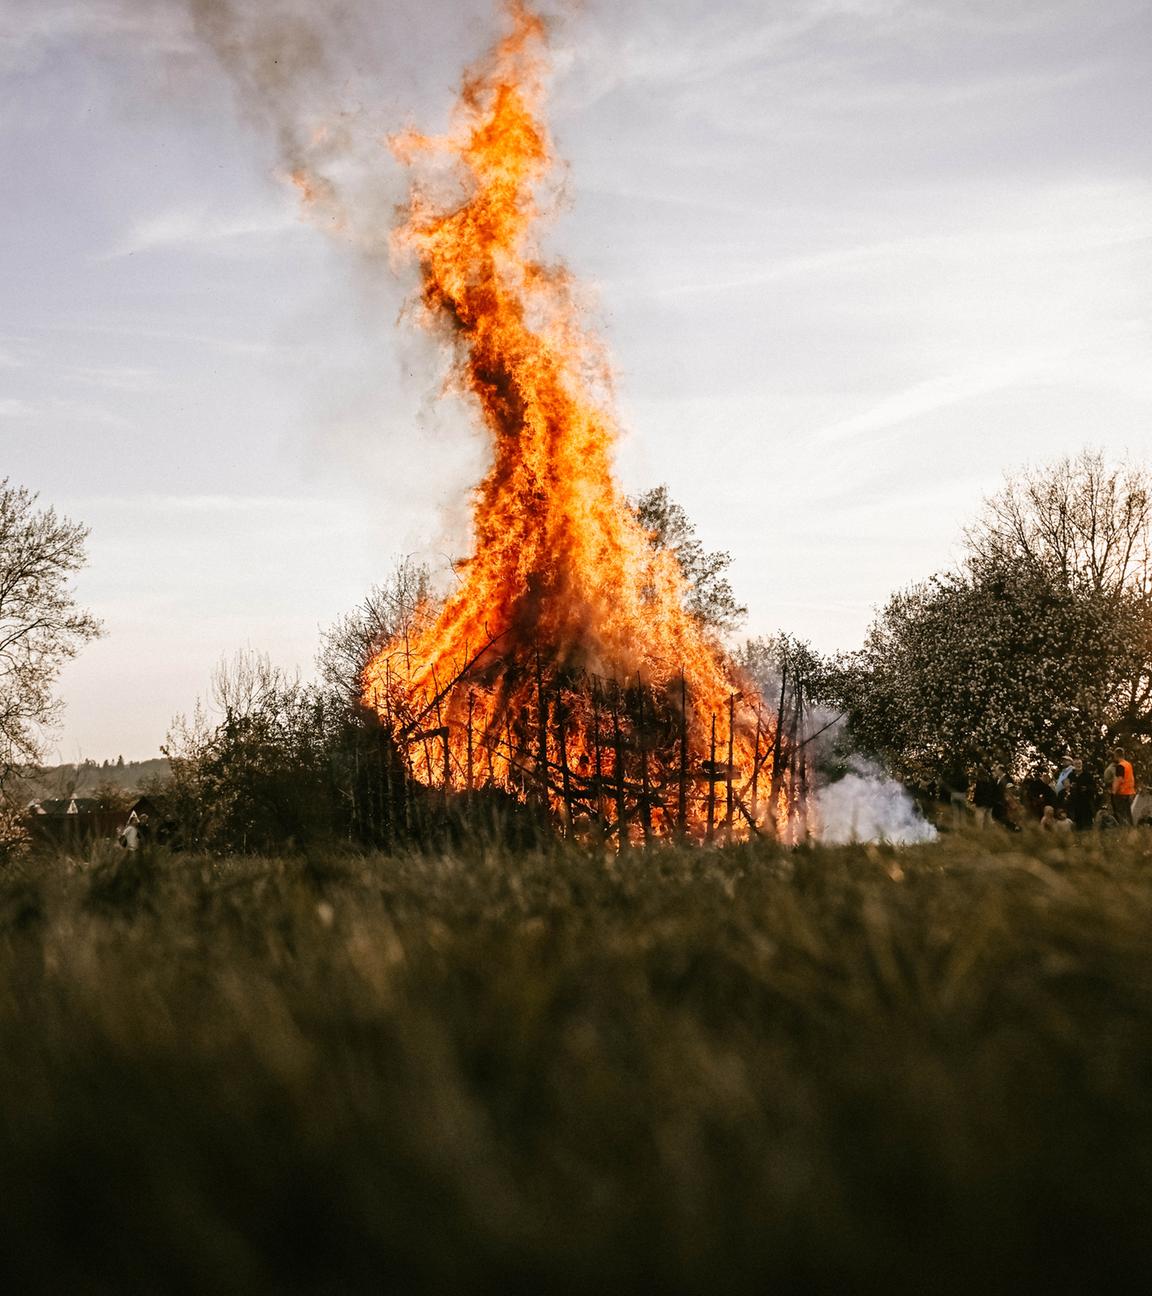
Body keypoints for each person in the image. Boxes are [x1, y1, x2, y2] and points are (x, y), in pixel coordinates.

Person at [1104, 747, 1136, 826]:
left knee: (1121, 813)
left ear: (1116, 755)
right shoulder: (1128, 764)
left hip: (1121, 792)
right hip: (1129, 791)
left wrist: (1114, 791)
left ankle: (1124, 829)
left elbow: (1119, 779)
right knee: (1127, 812)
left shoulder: (1120, 766)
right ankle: (1131, 828)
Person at [1063, 758, 1098, 832]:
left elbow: (1094, 787)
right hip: (1075, 802)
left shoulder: (1088, 775)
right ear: (1073, 765)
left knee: (1087, 821)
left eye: (1079, 763)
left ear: (1082, 764)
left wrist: (1087, 788)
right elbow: (1067, 787)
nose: (1078, 765)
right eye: (1076, 764)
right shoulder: (1071, 775)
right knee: (1077, 822)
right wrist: (1071, 786)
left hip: (1086, 801)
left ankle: (1089, 834)